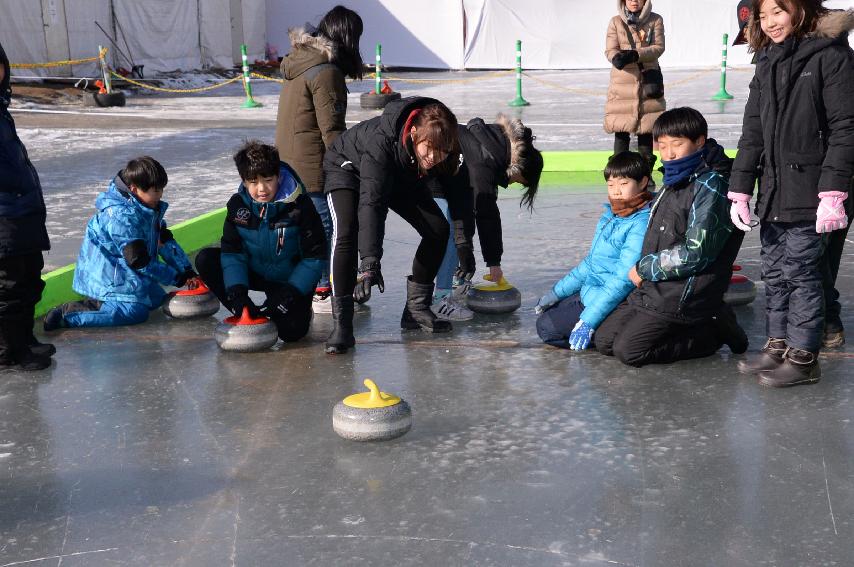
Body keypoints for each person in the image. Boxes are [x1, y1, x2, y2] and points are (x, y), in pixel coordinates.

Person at [728, 1, 854, 386]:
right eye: (763, 16)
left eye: (778, 12)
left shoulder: (832, 57)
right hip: (775, 188)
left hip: (814, 190)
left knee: (802, 274)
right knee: (776, 272)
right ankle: (777, 346)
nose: (769, 23)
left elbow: (846, 127)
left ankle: (803, 358)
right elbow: (753, 130)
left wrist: (833, 191)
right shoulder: (767, 60)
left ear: (800, 10)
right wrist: (740, 187)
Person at [595, 107, 747, 366]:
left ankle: (713, 330)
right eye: (662, 146)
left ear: (699, 141)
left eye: (677, 144)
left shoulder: (711, 186)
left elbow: (696, 252)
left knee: (629, 352)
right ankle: (694, 322)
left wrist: (644, 268)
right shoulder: (673, 180)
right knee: (604, 340)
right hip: (655, 288)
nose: (669, 154)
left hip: (685, 291)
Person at [323, 97, 461, 354]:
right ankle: (342, 325)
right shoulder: (380, 142)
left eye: (441, 151)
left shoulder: (443, 142)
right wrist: (369, 263)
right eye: (428, 148)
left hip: (399, 172)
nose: (433, 157)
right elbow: (372, 204)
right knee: (346, 234)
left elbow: (459, 192)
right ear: (413, 133)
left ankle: (416, 309)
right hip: (347, 168)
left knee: (438, 229)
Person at [274, 6, 363, 315]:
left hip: (289, 158)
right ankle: (324, 287)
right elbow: (332, 129)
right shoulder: (326, 70)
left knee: (306, 225)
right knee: (326, 225)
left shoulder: (301, 61)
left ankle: (313, 283)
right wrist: (349, 167)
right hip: (311, 161)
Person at [43, 157, 196, 330]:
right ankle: (67, 313)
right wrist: (175, 277)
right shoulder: (120, 216)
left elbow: (164, 241)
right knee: (135, 311)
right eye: (156, 190)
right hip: (106, 277)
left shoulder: (148, 209)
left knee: (155, 299)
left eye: (161, 189)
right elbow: (139, 261)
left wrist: (187, 271)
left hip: (126, 272)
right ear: (134, 189)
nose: (160, 194)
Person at [195, 141, 326, 343]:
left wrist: (290, 293)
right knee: (206, 259)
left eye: (268, 179)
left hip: (287, 281)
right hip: (255, 271)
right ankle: (246, 311)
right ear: (244, 181)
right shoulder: (238, 206)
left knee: (291, 333)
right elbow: (233, 253)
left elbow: (315, 257)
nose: (262, 188)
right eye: (253, 182)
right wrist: (237, 292)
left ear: (278, 177)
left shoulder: (300, 207)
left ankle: (295, 310)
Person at [428, 115, 544, 321]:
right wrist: (494, 263)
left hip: (443, 180)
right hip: (431, 179)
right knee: (452, 233)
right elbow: (486, 213)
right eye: (521, 182)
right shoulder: (485, 160)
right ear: (521, 168)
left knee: (459, 227)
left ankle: (457, 280)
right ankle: (440, 299)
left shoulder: (490, 144)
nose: (513, 183)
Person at [534, 152, 652, 350]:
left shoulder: (639, 223)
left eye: (623, 184)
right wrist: (556, 292)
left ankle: (605, 334)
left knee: (547, 327)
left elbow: (623, 280)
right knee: (552, 310)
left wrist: (588, 320)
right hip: (592, 291)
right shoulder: (611, 216)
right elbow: (591, 263)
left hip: (615, 299)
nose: (616, 191)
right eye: (611, 184)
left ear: (642, 183)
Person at [0, 41, 52, 370]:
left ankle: (24, 340)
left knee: (30, 279)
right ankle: (8, 351)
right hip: (4, 214)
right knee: (8, 286)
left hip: (22, 209)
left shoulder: (1, 111)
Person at [604, 0, 666, 173]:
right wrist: (616, 57)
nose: (634, 1)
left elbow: (658, 47)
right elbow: (610, 49)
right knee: (621, 129)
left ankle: (646, 174)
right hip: (623, 82)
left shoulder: (656, 20)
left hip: (648, 80)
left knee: (646, 128)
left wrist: (636, 55)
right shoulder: (616, 22)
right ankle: (618, 173)